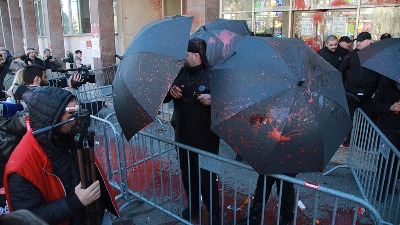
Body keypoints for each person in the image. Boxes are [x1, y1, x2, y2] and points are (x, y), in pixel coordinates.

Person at [3, 86, 120, 225]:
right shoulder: (22, 166)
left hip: (95, 215)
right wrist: (75, 202)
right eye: (72, 115)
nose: (78, 120)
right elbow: (29, 218)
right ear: (53, 120)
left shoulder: (67, 136)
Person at [163, 38, 221, 224]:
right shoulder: (179, 72)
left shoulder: (213, 75)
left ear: (196, 55)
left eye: (185, 54)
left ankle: (214, 212)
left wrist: (213, 99)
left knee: (208, 177)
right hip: (183, 136)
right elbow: (163, 98)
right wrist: (170, 90)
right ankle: (193, 206)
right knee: (188, 174)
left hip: (206, 139)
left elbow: (229, 102)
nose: (182, 57)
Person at [339, 31, 381, 146]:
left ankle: (363, 141)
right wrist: (344, 88)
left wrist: (377, 91)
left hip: (369, 94)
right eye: (357, 41)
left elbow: (381, 75)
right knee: (351, 117)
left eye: (361, 41)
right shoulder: (351, 55)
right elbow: (341, 70)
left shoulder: (376, 55)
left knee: (367, 119)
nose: (358, 43)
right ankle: (349, 139)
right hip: (352, 92)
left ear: (369, 41)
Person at [373, 76, 399, 200]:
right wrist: (391, 107)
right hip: (388, 130)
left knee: (397, 162)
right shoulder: (386, 86)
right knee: (385, 160)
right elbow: (375, 105)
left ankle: (391, 184)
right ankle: (382, 188)